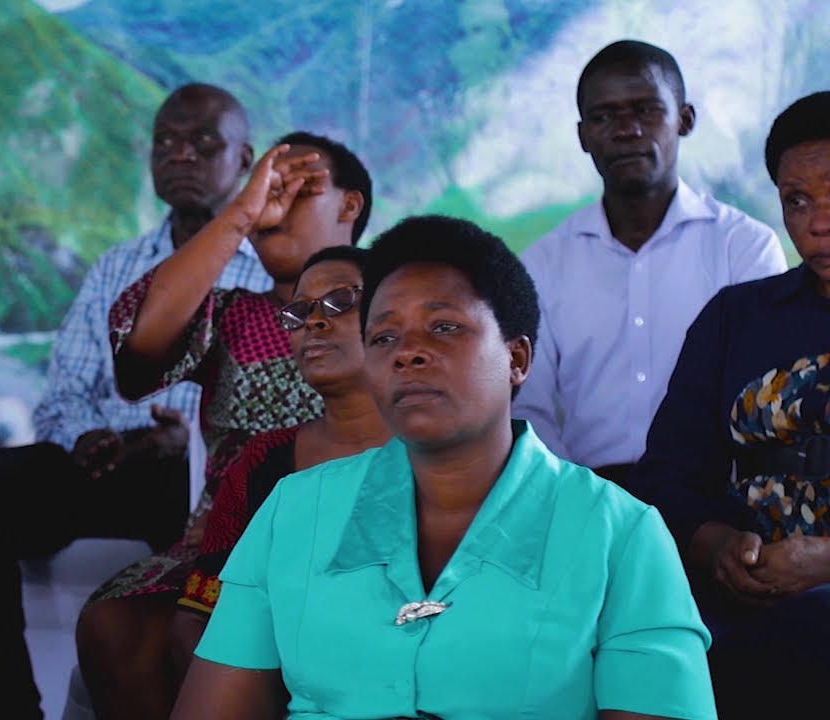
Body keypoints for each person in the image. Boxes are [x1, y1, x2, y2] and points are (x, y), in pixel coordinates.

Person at [174, 215, 716, 720]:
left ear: (518, 359)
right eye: (384, 337)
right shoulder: (293, 512)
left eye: (444, 327)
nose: (407, 352)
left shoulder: (621, 534)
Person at [0, 82, 271, 719]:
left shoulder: (271, 273)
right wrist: (85, 437)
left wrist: (186, 441)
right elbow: (64, 397)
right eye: (165, 141)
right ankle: (9, 707)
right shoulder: (117, 267)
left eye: (202, 142)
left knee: (193, 542)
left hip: (211, 482)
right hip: (109, 464)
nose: (179, 153)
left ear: (245, 162)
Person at [78, 131, 372, 718]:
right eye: (266, 186)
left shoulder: (394, 308)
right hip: (224, 546)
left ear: (349, 205)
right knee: (117, 619)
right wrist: (238, 215)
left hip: (361, 543)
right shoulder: (232, 314)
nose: (274, 205)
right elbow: (135, 349)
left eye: (296, 188)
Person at [628, 91, 830, 719]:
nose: (817, 222)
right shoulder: (736, 318)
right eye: (797, 200)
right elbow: (668, 473)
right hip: (743, 609)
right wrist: (718, 546)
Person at [512, 40, 786, 487]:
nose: (626, 130)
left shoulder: (745, 247)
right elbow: (529, 407)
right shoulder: (543, 263)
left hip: (722, 502)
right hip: (589, 499)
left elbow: (765, 395)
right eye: (603, 117)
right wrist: (573, 500)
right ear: (582, 137)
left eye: (645, 110)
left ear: (684, 119)